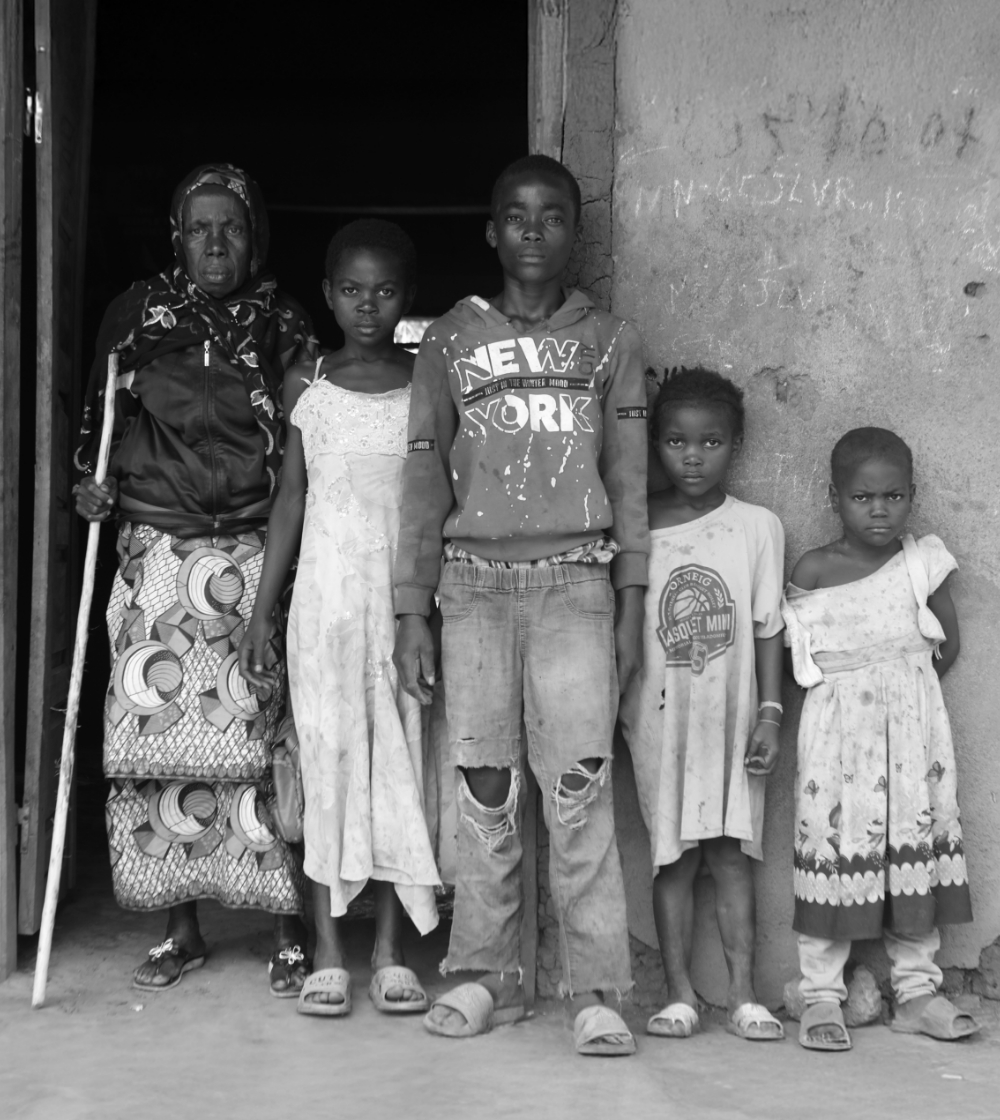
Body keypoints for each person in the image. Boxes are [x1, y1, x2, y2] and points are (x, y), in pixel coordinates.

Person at [392, 154, 648, 1056]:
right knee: (486, 789)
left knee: (578, 786)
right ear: (491, 231)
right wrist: (411, 608)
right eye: (516, 215)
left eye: (552, 216)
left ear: (576, 233)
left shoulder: (610, 341)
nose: (533, 231)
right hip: (471, 590)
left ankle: (596, 985)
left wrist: (627, 597)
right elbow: (423, 477)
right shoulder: (451, 342)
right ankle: (487, 975)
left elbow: (628, 481)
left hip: (576, 583)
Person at [74, 164, 315, 996]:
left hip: (253, 550)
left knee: (260, 738)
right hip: (161, 552)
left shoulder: (282, 323)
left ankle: (289, 929)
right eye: (200, 228)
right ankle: (182, 928)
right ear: (176, 236)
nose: (217, 244)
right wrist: (89, 480)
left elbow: (306, 442)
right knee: (159, 741)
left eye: (234, 227)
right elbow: (97, 418)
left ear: (257, 236)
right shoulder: (138, 316)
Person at [239, 220, 441, 1018]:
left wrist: (426, 605)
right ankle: (328, 949)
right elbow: (291, 497)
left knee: (401, 761)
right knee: (325, 762)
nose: (368, 305)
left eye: (385, 290)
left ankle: (390, 950)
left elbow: (435, 501)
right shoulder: (307, 384)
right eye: (352, 290)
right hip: (323, 604)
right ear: (327, 294)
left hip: (398, 604)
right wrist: (262, 609)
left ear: (407, 297)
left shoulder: (428, 382)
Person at [782, 427, 977, 1050]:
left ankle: (918, 992)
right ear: (834, 496)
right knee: (833, 849)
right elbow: (799, 659)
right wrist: (862, 700)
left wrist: (902, 702)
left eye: (894, 496)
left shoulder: (921, 564)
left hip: (913, 741)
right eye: (863, 497)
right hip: (837, 745)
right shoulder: (813, 568)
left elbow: (945, 646)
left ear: (913, 496)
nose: (879, 509)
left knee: (913, 848)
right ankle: (820, 996)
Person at [619, 368, 786, 1042]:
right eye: (676, 442)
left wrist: (771, 713)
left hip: (732, 719)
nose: (692, 457)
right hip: (660, 718)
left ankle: (745, 995)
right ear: (654, 445)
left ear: (736, 445)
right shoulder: (634, 529)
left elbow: (768, 626)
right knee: (674, 858)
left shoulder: (757, 528)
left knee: (728, 854)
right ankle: (680, 994)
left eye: (711, 442)